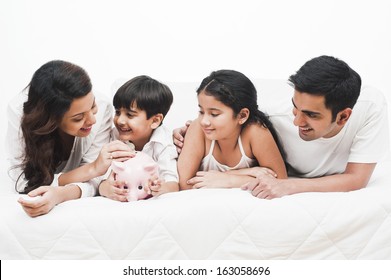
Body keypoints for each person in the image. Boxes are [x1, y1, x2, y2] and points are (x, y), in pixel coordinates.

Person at [174, 56, 390, 198]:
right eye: (296, 108)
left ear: (343, 117)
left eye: (311, 115)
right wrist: (185, 131)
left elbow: (356, 178)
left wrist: (290, 186)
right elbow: (221, 115)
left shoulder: (370, 108)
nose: (296, 122)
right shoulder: (271, 112)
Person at [7, 60, 134, 217]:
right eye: (78, 118)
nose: (92, 121)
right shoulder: (19, 113)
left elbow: (96, 180)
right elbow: (24, 181)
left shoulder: (103, 107)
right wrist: (92, 169)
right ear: (51, 121)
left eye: (92, 106)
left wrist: (60, 194)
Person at [177, 69, 287, 191]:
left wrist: (229, 179)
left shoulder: (255, 131)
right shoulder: (197, 128)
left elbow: (279, 181)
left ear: (242, 116)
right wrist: (248, 173)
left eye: (214, 114)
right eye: (201, 112)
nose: (204, 121)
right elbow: (184, 184)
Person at [98, 75, 179, 201]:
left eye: (130, 115)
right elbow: (99, 177)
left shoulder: (163, 143)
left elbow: (173, 183)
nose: (120, 120)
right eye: (118, 112)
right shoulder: (112, 137)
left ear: (155, 120)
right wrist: (105, 188)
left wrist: (161, 188)